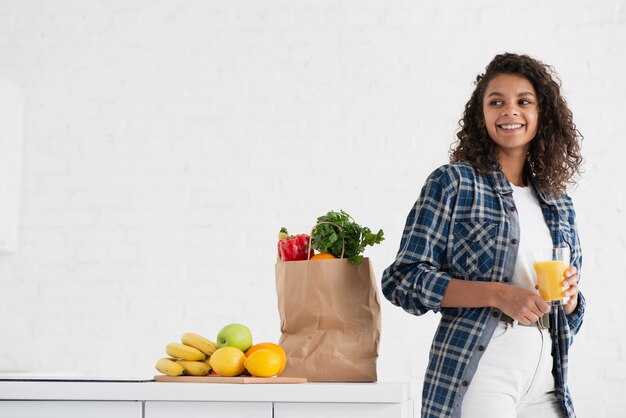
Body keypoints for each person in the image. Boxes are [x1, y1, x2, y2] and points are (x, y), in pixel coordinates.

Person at [381, 53, 585, 418]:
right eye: (496, 102)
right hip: (483, 367)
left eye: (524, 101)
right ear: (482, 115)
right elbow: (403, 279)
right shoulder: (454, 183)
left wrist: (570, 300)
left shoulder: (559, 202)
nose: (510, 112)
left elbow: (570, 317)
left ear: (542, 115)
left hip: (548, 373)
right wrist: (496, 294)